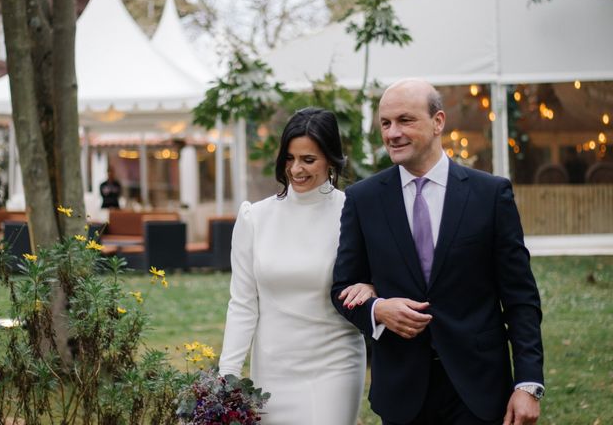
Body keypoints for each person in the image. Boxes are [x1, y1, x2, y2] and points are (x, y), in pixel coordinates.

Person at [332, 79, 544, 425]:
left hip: (480, 389)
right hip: (402, 393)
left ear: (438, 122)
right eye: (385, 123)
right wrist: (377, 309)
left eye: (405, 120)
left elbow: (520, 298)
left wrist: (528, 383)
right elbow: (342, 288)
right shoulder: (363, 199)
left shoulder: (490, 195)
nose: (393, 133)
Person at [218, 108, 372, 425]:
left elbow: (380, 273)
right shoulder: (254, 217)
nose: (296, 169)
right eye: (289, 158)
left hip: (335, 365)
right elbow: (243, 304)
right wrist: (227, 376)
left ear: (331, 159)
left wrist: (372, 285)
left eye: (308, 160)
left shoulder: (353, 212)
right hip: (272, 370)